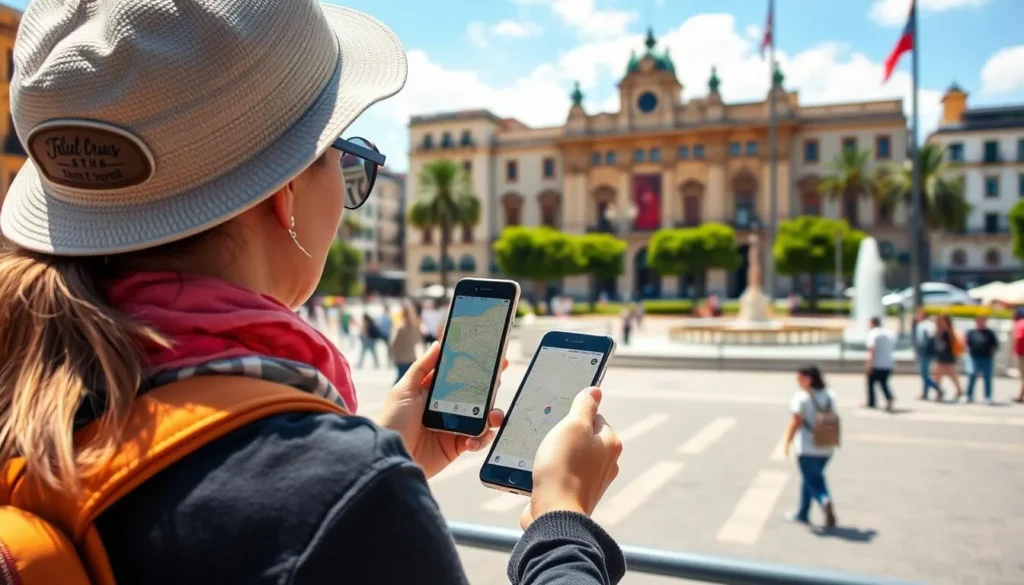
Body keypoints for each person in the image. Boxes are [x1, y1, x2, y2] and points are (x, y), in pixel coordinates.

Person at [0, 2, 626, 584]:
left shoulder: (23, 385)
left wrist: (374, 456)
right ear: (286, 192)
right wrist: (561, 519)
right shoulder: (337, 500)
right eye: (348, 157)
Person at [783, 365, 838, 527]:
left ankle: (824, 500)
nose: (798, 382)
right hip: (827, 445)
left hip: (807, 447)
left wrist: (787, 441)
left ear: (809, 379)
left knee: (813, 480)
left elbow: (796, 422)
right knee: (811, 478)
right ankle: (803, 513)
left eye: (800, 378)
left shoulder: (801, 398)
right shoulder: (830, 395)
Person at [965, 315, 999, 404]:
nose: (981, 322)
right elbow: (966, 343)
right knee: (972, 376)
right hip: (974, 358)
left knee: (987, 378)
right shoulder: (971, 332)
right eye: (979, 321)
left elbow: (995, 344)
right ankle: (968, 395)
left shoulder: (990, 333)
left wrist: (993, 351)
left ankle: (988, 397)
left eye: (982, 320)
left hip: (986, 358)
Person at [865, 316, 896, 412]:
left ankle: (871, 402)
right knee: (883, 382)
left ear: (873, 323)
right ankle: (889, 397)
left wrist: (869, 364)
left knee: (871, 382)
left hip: (877, 363)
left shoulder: (873, 333)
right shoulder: (888, 333)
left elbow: (872, 350)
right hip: (888, 363)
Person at [933, 314, 964, 401]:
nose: (942, 322)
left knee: (954, 378)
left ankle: (959, 391)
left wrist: (948, 329)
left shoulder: (950, 331)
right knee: (936, 378)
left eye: (943, 320)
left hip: (949, 358)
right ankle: (939, 392)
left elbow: (954, 342)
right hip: (940, 358)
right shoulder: (938, 331)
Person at [913, 309, 942, 401]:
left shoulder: (922, 325)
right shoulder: (931, 324)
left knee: (924, 374)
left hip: (924, 352)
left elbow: (921, 340)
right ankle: (925, 394)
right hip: (930, 352)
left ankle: (937, 388)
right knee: (925, 373)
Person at [390, 303, 423, 382]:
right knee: (404, 379)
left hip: (405, 358)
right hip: (407, 358)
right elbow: (419, 341)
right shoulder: (411, 327)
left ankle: (394, 392)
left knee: (403, 379)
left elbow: (393, 344)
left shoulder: (401, 327)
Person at [1015, 310, 1024, 403]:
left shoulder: (1020, 324)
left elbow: (1019, 337)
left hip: (1022, 354)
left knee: (1023, 377)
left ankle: (1020, 396)